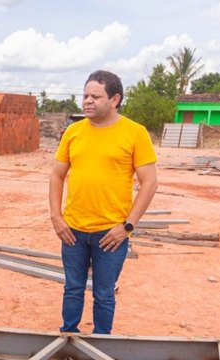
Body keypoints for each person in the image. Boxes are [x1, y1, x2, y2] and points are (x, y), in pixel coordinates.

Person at [49, 70, 158, 334]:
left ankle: (101, 347)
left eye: (95, 96)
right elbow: (57, 174)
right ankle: (69, 338)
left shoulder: (135, 133)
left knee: (104, 293)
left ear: (115, 99)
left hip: (111, 233)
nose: (87, 101)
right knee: (72, 288)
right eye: (85, 95)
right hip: (73, 230)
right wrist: (56, 217)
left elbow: (150, 183)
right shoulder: (73, 132)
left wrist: (127, 227)